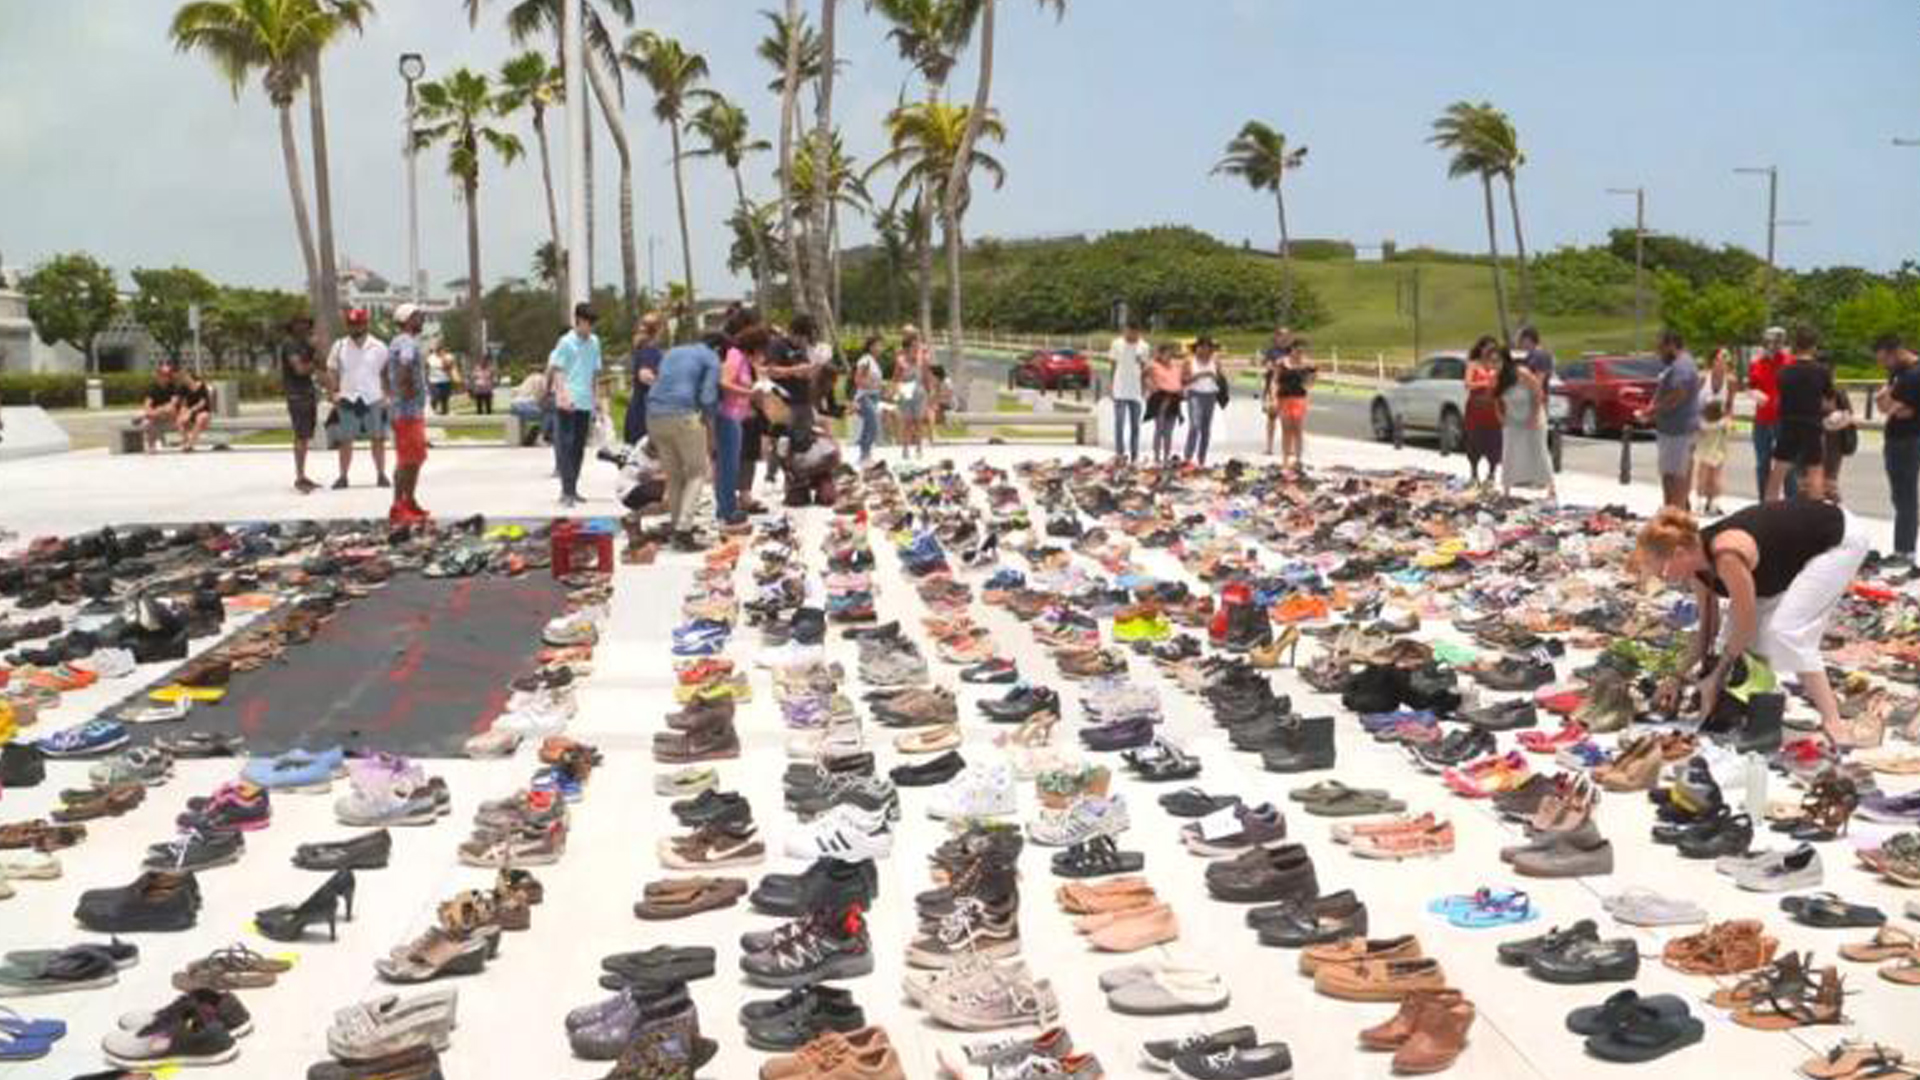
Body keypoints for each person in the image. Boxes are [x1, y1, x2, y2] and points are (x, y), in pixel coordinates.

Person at [1637, 501, 1870, 743]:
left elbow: (1745, 625)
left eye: (1663, 572)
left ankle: (1832, 720)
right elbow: (1708, 630)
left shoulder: (1726, 556)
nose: (1667, 580)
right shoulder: (1697, 567)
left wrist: (1716, 676)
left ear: (1679, 554)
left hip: (1838, 540)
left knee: (1786, 632)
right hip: (1781, 560)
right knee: (1732, 640)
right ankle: (1751, 704)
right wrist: (1677, 677)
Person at [647, 336, 720, 549]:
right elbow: (708, 398)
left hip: (653, 416)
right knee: (698, 473)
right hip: (683, 416)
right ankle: (683, 529)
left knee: (674, 476)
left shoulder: (672, 352)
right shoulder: (711, 358)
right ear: (717, 348)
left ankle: (677, 526)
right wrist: (710, 427)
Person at [1765, 326, 1832, 502]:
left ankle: (1768, 509)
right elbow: (1829, 403)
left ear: (1795, 345)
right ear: (1814, 346)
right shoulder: (1822, 371)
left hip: (1788, 424)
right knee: (1815, 469)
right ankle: (1815, 514)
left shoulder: (1784, 372)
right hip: (1812, 425)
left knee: (1778, 470)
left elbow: (1780, 399)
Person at [326, 307, 391, 489]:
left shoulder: (379, 346)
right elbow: (331, 370)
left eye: (358, 324)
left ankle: (381, 475)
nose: (354, 327)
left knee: (377, 439)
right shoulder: (339, 346)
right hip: (348, 397)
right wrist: (333, 392)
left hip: (373, 397)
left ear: (365, 324)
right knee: (345, 440)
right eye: (351, 324)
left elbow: (386, 372)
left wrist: (387, 394)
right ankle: (343, 476)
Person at [546, 302, 603, 507]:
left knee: (579, 447)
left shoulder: (595, 342)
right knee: (566, 445)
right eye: (588, 323)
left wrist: (596, 399)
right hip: (568, 400)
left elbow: (596, 372)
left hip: (585, 401)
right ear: (578, 320)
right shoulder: (566, 342)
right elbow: (558, 370)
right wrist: (561, 395)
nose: (591, 328)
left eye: (593, 324)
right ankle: (566, 491)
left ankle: (574, 488)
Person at [1638, 329, 1701, 511]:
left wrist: (1653, 410)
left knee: (1673, 475)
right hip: (1679, 428)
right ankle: (1677, 510)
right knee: (1677, 473)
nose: (1658, 353)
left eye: (1660, 348)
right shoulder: (1684, 363)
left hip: (1677, 429)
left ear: (1671, 345)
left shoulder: (1681, 366)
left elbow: (1679, 393)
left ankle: (1673, 512)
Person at [1876, 334, 1920, 564]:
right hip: (1895, 439)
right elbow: (1886, 407)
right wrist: (1889, 403)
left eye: (1885, 360)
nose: (1883, 365)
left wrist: (1889, 403)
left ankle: (1905, 551)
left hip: (1909, 440)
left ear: (1896, 352)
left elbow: (1901, 409)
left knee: (1906, 496)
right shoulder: (1898, 372)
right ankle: (1902, 548)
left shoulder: (1915, 375)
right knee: (1899, 496)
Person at [385, 304, 431, 523]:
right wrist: (406, 388)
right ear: (407, 319)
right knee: (407, 460)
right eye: (417, 317)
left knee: (414, 458)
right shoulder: (406, 341)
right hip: (407, 411)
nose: (421, 320)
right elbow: (404, 364)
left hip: (408, 410)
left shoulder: (400, 341)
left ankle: (409, 501)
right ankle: (400, 505)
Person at [715, 326, 762, 526]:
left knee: (730, 465)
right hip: (727, 416)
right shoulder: (735, 356)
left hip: (736, 417)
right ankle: (727, 510)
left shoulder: (743, 360)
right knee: (728, 466)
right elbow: (724, 382)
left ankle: (726, 507)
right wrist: (749, 393)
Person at [1497, 347, 1555, 500]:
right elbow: (1495, 397)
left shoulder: (1522, 373)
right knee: (1509, 452)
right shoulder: (1499, 376)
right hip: (1512, 417)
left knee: (1539, 451)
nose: (1494, 364)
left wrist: (1534, 417)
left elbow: (1538, 393)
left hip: (1532, 415)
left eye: (1497, 361)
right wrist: (1500, 415)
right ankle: (1507, 490)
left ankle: (1551, 488)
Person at [1747, 325, 1793, 499]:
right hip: (1762, 420)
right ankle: (1764, 502)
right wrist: (1755, 394)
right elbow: (1751, 387)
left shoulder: (1789, 362)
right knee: (1762, 464)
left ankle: (1791, 503)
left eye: (1779, 341)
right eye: (1772, 341)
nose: (1775, 345)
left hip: (1784, 420)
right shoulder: (1757, 363)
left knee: (1787, 464)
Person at [278, 315, 321, 491]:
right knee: (301, 436)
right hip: (297, 395)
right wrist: (315, 362)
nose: (304, 327)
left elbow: (316, 364)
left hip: (308, 394)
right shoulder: (290, 344)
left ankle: (303, 475)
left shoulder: (305, 345)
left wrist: (314, 350)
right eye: (300, 323)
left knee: (305, 436)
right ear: (292, 325)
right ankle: (300, 477)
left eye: (306, 323)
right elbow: (300, 369)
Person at [1462, 335, 1504, 486]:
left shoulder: (1498, 366)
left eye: (1493, 347)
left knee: (1494, 442)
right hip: (1475, 409)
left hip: (1493, 410)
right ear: (1480, 348)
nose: (1490, 350)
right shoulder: (1473, 365)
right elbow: (1468, 384)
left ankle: (1491, 474)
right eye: (1487, 347)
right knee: (1474, 442)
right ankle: (1474, 474)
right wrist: (1486, 382)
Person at [1272, 337, 1315, 471]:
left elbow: (1311, 381)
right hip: (1283, 398)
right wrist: (1273, 398)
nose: (1299, 354)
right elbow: (1275, 381)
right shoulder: (1281, 363)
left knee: (1298, 429)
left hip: (1299, 398)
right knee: (1286, 430)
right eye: (1297, 350)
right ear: (1292, 349)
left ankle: (1298, 459)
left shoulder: (1307, 364)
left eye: (1302, 351)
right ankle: (1285, 460)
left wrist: (1310, 382)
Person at [1182, 336, 1225, 467]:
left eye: (1208, 347)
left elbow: (1220, 380)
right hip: (1194, 394)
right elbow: (1184, 380)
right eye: (1202, 347)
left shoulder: (1215, 361)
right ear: (1197, 348)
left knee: (1206, 429)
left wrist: (1215, 376)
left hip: (1210, 395)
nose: (1205, 350)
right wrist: (1199, 375)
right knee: (1195, 425)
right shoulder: (1190, 361)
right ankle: (1188, 456)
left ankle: (1202, 458)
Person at [1108, 325, 1149, 462]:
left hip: (1135, 390)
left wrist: (1144, 387)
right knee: (1119, 423)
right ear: (1125, 331)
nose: (1131, 334)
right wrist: (1111, 384)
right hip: (1120, 389)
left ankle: (1134, 454)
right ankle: (1120, 453)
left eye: (1135, 332)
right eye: (1129, 331)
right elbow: (1112, 365)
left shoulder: (1144, 346)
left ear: (1138, 332)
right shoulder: (1117, 344)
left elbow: (1144, 368)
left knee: (1135, 425)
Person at [1819, 355, 1856, 504]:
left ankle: (1836, 514)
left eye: (1829, 371)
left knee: (1830, 485)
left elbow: (1849, 416)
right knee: (1812, 486)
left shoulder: (1838, 393)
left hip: (1834, 444)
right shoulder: (1809, 392)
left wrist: (1835, 421)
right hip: (1813, 444)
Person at [623, 314, 664, 445]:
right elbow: (644, 375)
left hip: (638, 405)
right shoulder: (650, 349)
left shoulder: (641, 347)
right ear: (659, 329)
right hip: (645, 410)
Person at [1145, 344, 1185, 463]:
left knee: (1168, 432)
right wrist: (1150, 387)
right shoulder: (1153, 365)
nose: (1168, 356)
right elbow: (1144, 376)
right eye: (1166, 354)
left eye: (1170, 354)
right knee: (1159, 429)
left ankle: (1166, 457)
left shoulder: (1175, 367)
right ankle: (1157, 456)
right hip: (1160, 399)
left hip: (1174, 399)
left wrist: (1181, 391)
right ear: (1160, 354)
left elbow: (1179, 382)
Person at [893, 332, 929, 459]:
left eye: (917, 346)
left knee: (919, 421)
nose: (916, 348)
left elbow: (926, 376)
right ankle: (905, 449)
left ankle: (919, 449)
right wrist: (895, 393)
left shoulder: (922, 359)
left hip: (919, 392)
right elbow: (896, 378)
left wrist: (929, 393)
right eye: (913, 346)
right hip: (905, 391)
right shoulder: (901, 360)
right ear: (907, 347)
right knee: (907, 422)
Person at [1260, 328, 1294, 457]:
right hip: (1272, 385)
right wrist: (1275, 365)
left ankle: (1289, 447)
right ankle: (1269, 446)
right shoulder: (1271, 351)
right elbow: (1267, 364)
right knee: (1272, 416)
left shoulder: (1292, 350)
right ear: (1276, 337)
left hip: (1290, 386)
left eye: (1287, 335)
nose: (1285, 338)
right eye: (1282, 335)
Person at [1694, 399, 1731, 515]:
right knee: (1716, 480)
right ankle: (1713, 505)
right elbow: (1730, 430)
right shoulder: (1724, 424)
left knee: (1702, 479)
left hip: (1704, 453)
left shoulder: (1701, 424)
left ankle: (1700, 504)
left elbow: (1697, 434)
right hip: (1718, 454)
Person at [853, 335, 885, 464]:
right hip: (864, 396)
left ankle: (865, 453)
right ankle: (864, 452)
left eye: (881, 345)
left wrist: (881, 387)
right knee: (872, 423)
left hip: (875, 396)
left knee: (870, 425)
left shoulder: (874, 361)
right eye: (878, 345)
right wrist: (875, 385)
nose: (880, 348)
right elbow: (858, 380)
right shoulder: (865, 360)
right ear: (871, 347)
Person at [140, 363, 179, 454]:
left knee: (167, 410)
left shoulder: (174, 388)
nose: (165, 377)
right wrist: (151, 412)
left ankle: (144, 417)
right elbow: (147, 405)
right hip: (157, 416)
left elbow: (173, 404)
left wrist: (158, 410)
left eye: (168, 375)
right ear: (158, 376)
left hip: (171, 415)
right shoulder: (152, 388)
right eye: (163, 375)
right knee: (149, 422)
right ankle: (151, 446)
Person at [507, 367, 550, 447]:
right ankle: (541, 436)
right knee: (549, 415)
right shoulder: (542, 379)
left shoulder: (528, 379)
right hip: (528, 406)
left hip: (515, 407)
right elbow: (540, 397)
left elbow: (515, 391)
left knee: (547, 414)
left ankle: (535, 433)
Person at [174, 369, 214, 452]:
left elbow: (202, 403)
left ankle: (190, 444)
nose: (184, 380)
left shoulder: (201, 386)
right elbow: (182, 403)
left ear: (190, 376)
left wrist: (190, 411)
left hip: (203, 411)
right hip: (189, 411)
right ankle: (185, 441)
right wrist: (183, 412)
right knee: (179, 421)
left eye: (185, 377)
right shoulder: (183, 388)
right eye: (182, 378)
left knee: (200, 418)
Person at [426, 345, 455, 416]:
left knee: (444, 398)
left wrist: (443, 358)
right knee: (435, 397)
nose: (440, 352)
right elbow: (426, 367)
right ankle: (432, 411)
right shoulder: (431, 358)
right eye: (438, 351)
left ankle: (445, 413)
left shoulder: (449, 356)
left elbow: (448, 366)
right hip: (434, 381)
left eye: (442, 350)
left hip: (445, 380)